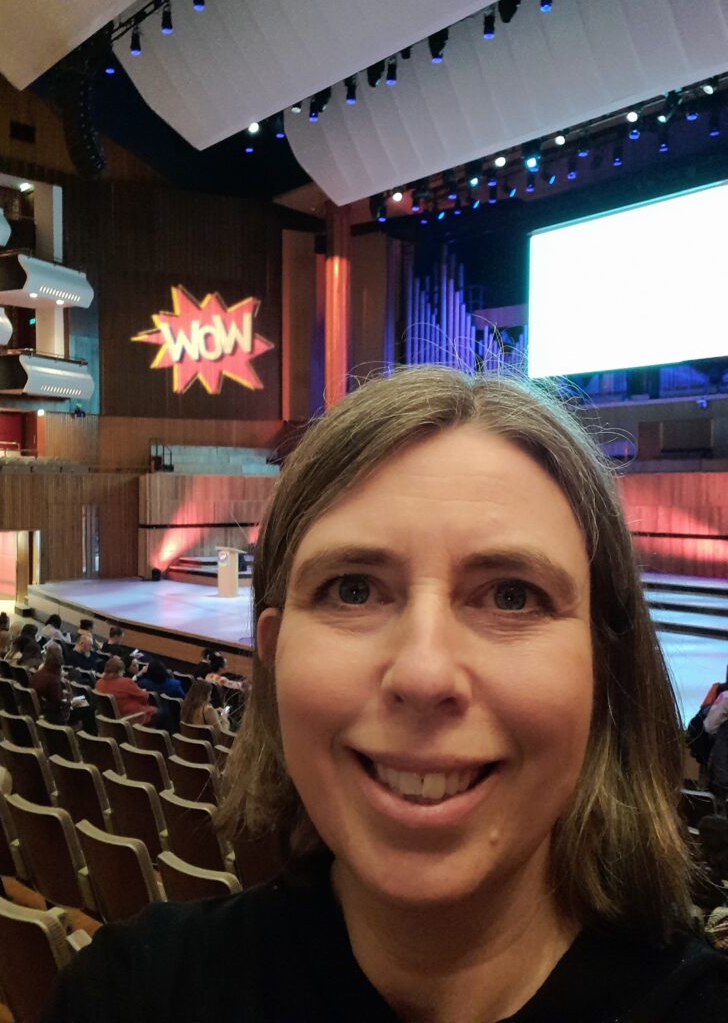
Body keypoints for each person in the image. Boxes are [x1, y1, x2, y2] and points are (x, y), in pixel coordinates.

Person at [43, 367, 728, 1022]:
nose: (424, 676)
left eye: (512, 597)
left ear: (603, 668)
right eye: (354, 589)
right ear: (273, 657)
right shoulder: (128, 997)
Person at [95, 656, 156, 725]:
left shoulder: (98, 683)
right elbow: (145, 697)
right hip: (129, 716)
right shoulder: (125, 682)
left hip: (108, 715)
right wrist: (143, 691)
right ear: (119, 671)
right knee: (161, 713)